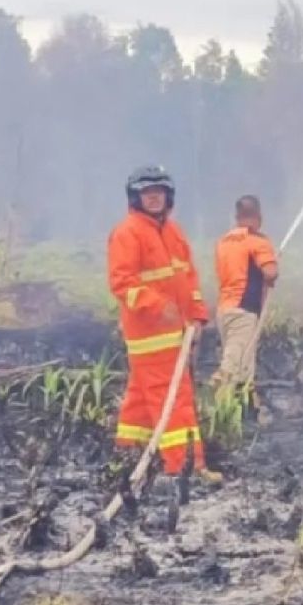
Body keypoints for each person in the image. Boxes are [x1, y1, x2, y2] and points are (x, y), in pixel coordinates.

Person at [107, 165, 220, 482]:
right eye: (147, 193)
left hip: (177, 332)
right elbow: (122, 284)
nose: (154, 198)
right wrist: (159, 307)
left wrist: (197, 314)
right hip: (149, 335)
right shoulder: (127, 233)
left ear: (168, 196)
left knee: (142, 398)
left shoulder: (174, 232)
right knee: (175, 397)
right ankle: (186, 467)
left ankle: (129, 451)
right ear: (136, 197)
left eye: (159, 192)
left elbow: (189, 278)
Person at [212, 195, 279, 396]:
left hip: (225, 310)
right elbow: (270, 273)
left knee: (243, 366)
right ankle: (220, 408)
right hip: (244, 311)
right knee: (233, 366)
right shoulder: (257, 241)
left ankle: (243, 408)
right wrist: (274, 265)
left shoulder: (224, 241)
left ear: (237, 216)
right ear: (259, 216)